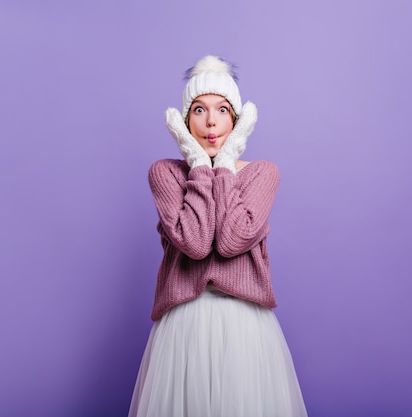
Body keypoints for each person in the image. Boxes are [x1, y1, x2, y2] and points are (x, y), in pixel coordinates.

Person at [128, 55, 308, 417]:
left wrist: (224, 164)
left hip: (245, 328)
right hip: (184, 328)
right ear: (183, 121)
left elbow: (230, 240)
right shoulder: (166, 173)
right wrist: (198, 163)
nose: (211, 121)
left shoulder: (262, 174)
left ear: (237, 120)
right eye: (198, 110)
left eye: (222, 109)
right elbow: (195, 243)